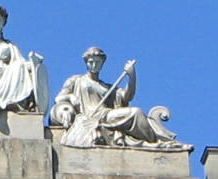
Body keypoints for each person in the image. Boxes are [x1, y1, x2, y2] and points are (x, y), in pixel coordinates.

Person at [48, 47, 180, 148]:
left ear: (102, 63)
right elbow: (58, 99)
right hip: (89, 117)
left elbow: (127, 96)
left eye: (97, 62)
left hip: (105, 115)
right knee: (135, 112)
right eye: (91, 62)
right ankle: (153, 141)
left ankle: (153, 140)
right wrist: (70, 97)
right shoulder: (76, 80)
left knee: (136, 112)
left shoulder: (107, 88)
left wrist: (132, 77)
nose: (94, 65)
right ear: (86, 63)